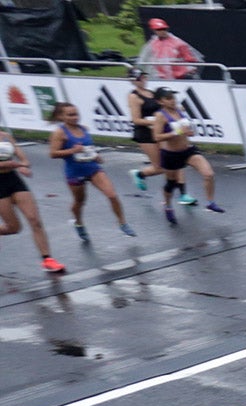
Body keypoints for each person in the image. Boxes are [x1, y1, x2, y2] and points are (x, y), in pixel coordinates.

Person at [47, 103, 136, 242]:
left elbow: (89, 148)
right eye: (70, 115)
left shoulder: (84, 129)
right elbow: (52, 154)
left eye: (76, 114)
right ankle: (78, 223)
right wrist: (72, 151)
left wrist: (97, 156)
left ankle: (123, 223)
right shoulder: (60, 132)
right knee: (80, 201)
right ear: (61, 116)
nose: (75, 117)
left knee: (112, 195)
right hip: (75, 171)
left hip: (92, 168)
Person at [151, 87, 223, 225]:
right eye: (168, 98)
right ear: (160, 101)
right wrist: (177, 132)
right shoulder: (160, 116)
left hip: (188, 150)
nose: (172, 101)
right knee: (171, 184)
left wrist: (189, 132)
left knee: (208, 174)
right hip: (171, 154)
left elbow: (186, 129)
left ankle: (210, 202)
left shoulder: (180, 110)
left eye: (173, 97)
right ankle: (167, 205)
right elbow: (157, 137)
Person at [0, 130, 65, 273]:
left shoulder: (5, 135)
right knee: (13, 228)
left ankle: (48, 260)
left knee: (34, 220)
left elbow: (23, 159)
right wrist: (13, 164)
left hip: (13, 180)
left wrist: (23, 165)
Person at [126, 68, 193, 204]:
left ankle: (183, 194)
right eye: (139, 78)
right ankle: (140, 174)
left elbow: (166, 108)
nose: (143, 80)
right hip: (145, 134)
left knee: (176, 162)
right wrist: (155, 121)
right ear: (133, 81)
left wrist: (177, 110)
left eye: (144, 77)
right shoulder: (134, 97)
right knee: (160, 167)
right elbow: (136, 119)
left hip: (162, 132)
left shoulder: (153, 93)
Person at [137, 18, 203, 81]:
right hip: (160, 77)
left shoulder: (178, 43)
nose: (162, 31)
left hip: (180, 77)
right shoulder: (152, 44)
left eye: (164, 29)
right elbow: (145, 58)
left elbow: (190, 59)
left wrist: (191, 68)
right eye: (159, 29)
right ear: (154, 30)